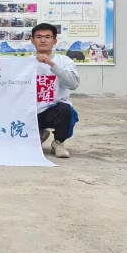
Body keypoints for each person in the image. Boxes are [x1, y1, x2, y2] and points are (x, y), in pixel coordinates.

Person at [31, 23, 80, 159]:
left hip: (53, 111)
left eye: (47, 37)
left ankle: (58, 142)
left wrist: (51, 64)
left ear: (54, 41)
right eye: (39, 37)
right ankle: (39, 134)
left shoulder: (64, 61)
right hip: (31, 111)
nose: (43, 40)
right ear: (32, 40)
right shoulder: (25, 62)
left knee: (66, 110)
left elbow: (73, 84)